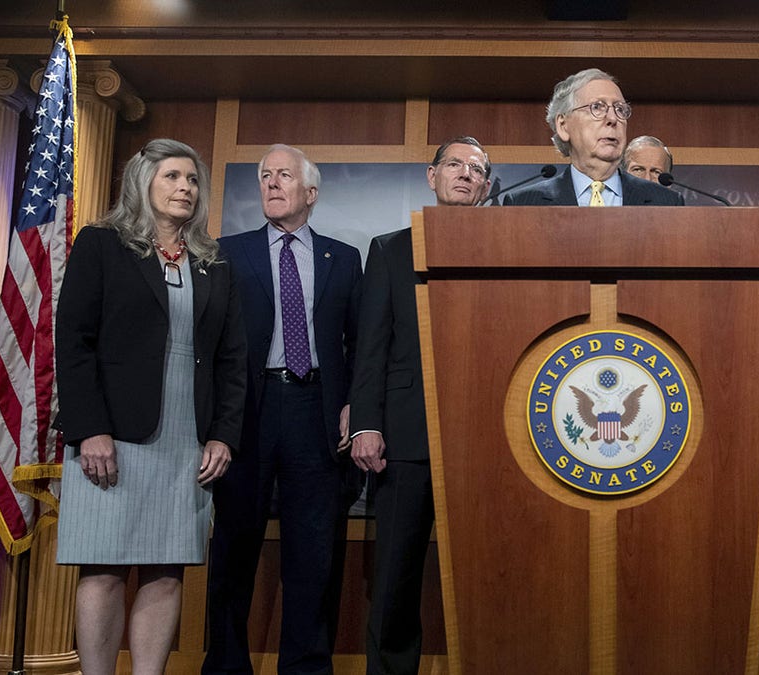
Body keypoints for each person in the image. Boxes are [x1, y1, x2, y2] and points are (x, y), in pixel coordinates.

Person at [55, 138, 246, 675]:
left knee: (167, 571)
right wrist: (89, 429)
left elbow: (233, 359)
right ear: (143, 181)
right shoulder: (101, 244)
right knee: (104, 570)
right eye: (172, 177)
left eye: (192, 180)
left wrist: (223, 435)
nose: (185, 188)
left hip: (187, 440)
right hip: (110, 436)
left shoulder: (214, 263)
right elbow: (73, 342)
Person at [203, 144, 362, 675]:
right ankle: (225, 665)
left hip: (315, 411)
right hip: (246, 410)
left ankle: (306, 666)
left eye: (284, 176)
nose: (272, 184)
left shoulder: (342, 258)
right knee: (234, 546)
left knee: (312, 553)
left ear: (310, 193)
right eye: (265, 176)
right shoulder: (226, 251)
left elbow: (359, 344)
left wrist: (352, 408)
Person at [349, 136, 492, 675]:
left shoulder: (509, 247)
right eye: (452, 164)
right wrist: (366, 422)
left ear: (485, 186)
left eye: (475, 169)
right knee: (395, 577)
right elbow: (371, 348)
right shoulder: (390, 249)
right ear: (432, 177)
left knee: (489, 575)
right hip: (406, 439)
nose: (463, 173)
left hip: (487, 440)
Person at [502, 68, 683, 206]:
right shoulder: (524, 202)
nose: (613, 119)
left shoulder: (667, 201)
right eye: (597, 107)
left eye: (620, 109)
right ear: (563, 126)